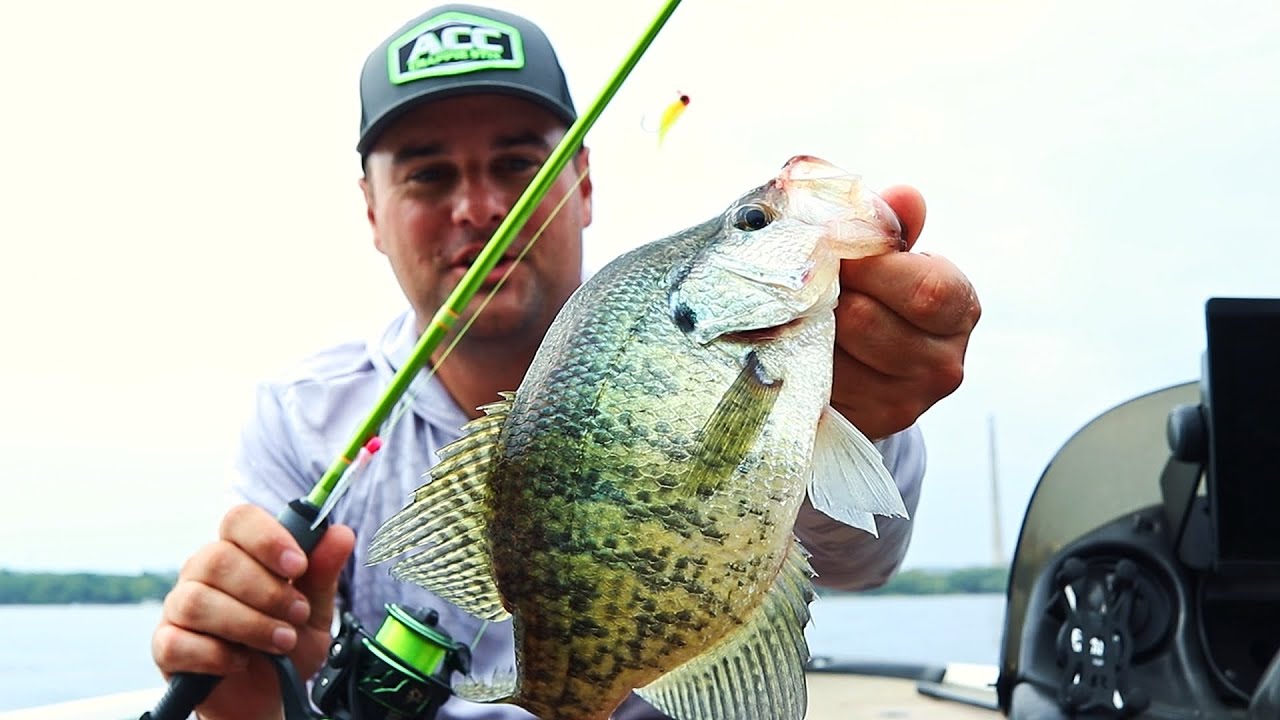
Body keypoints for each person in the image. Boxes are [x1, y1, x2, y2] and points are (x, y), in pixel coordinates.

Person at [150, 4, 982, 719]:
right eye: (428, 175)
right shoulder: (300, 416)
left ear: (582, 183)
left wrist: (866, 410)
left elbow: (861, 558)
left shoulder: (711, 337)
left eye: (519, 164)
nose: (478, 208)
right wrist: (257, 697)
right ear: (372, 209)